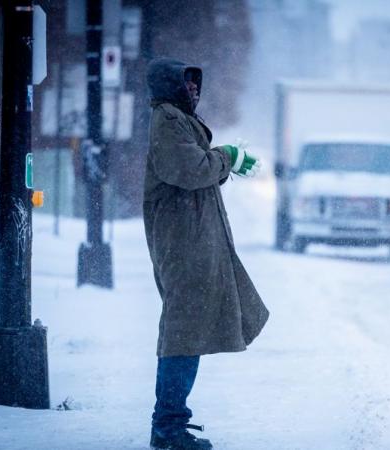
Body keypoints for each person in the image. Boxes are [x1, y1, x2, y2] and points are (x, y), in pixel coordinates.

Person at [143, 57, 269, 450]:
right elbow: (191, 169)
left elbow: (196, 167)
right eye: (187, 83)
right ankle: (167, 427)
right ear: (171, 87)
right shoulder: (167, 119)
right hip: (182, 245)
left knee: (190, 330)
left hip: (192, 242)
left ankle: (171, 423)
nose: (194, 89)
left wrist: (226, 164)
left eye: (197, 83)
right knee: (183, 332)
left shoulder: (177, 120)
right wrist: (227, 156)